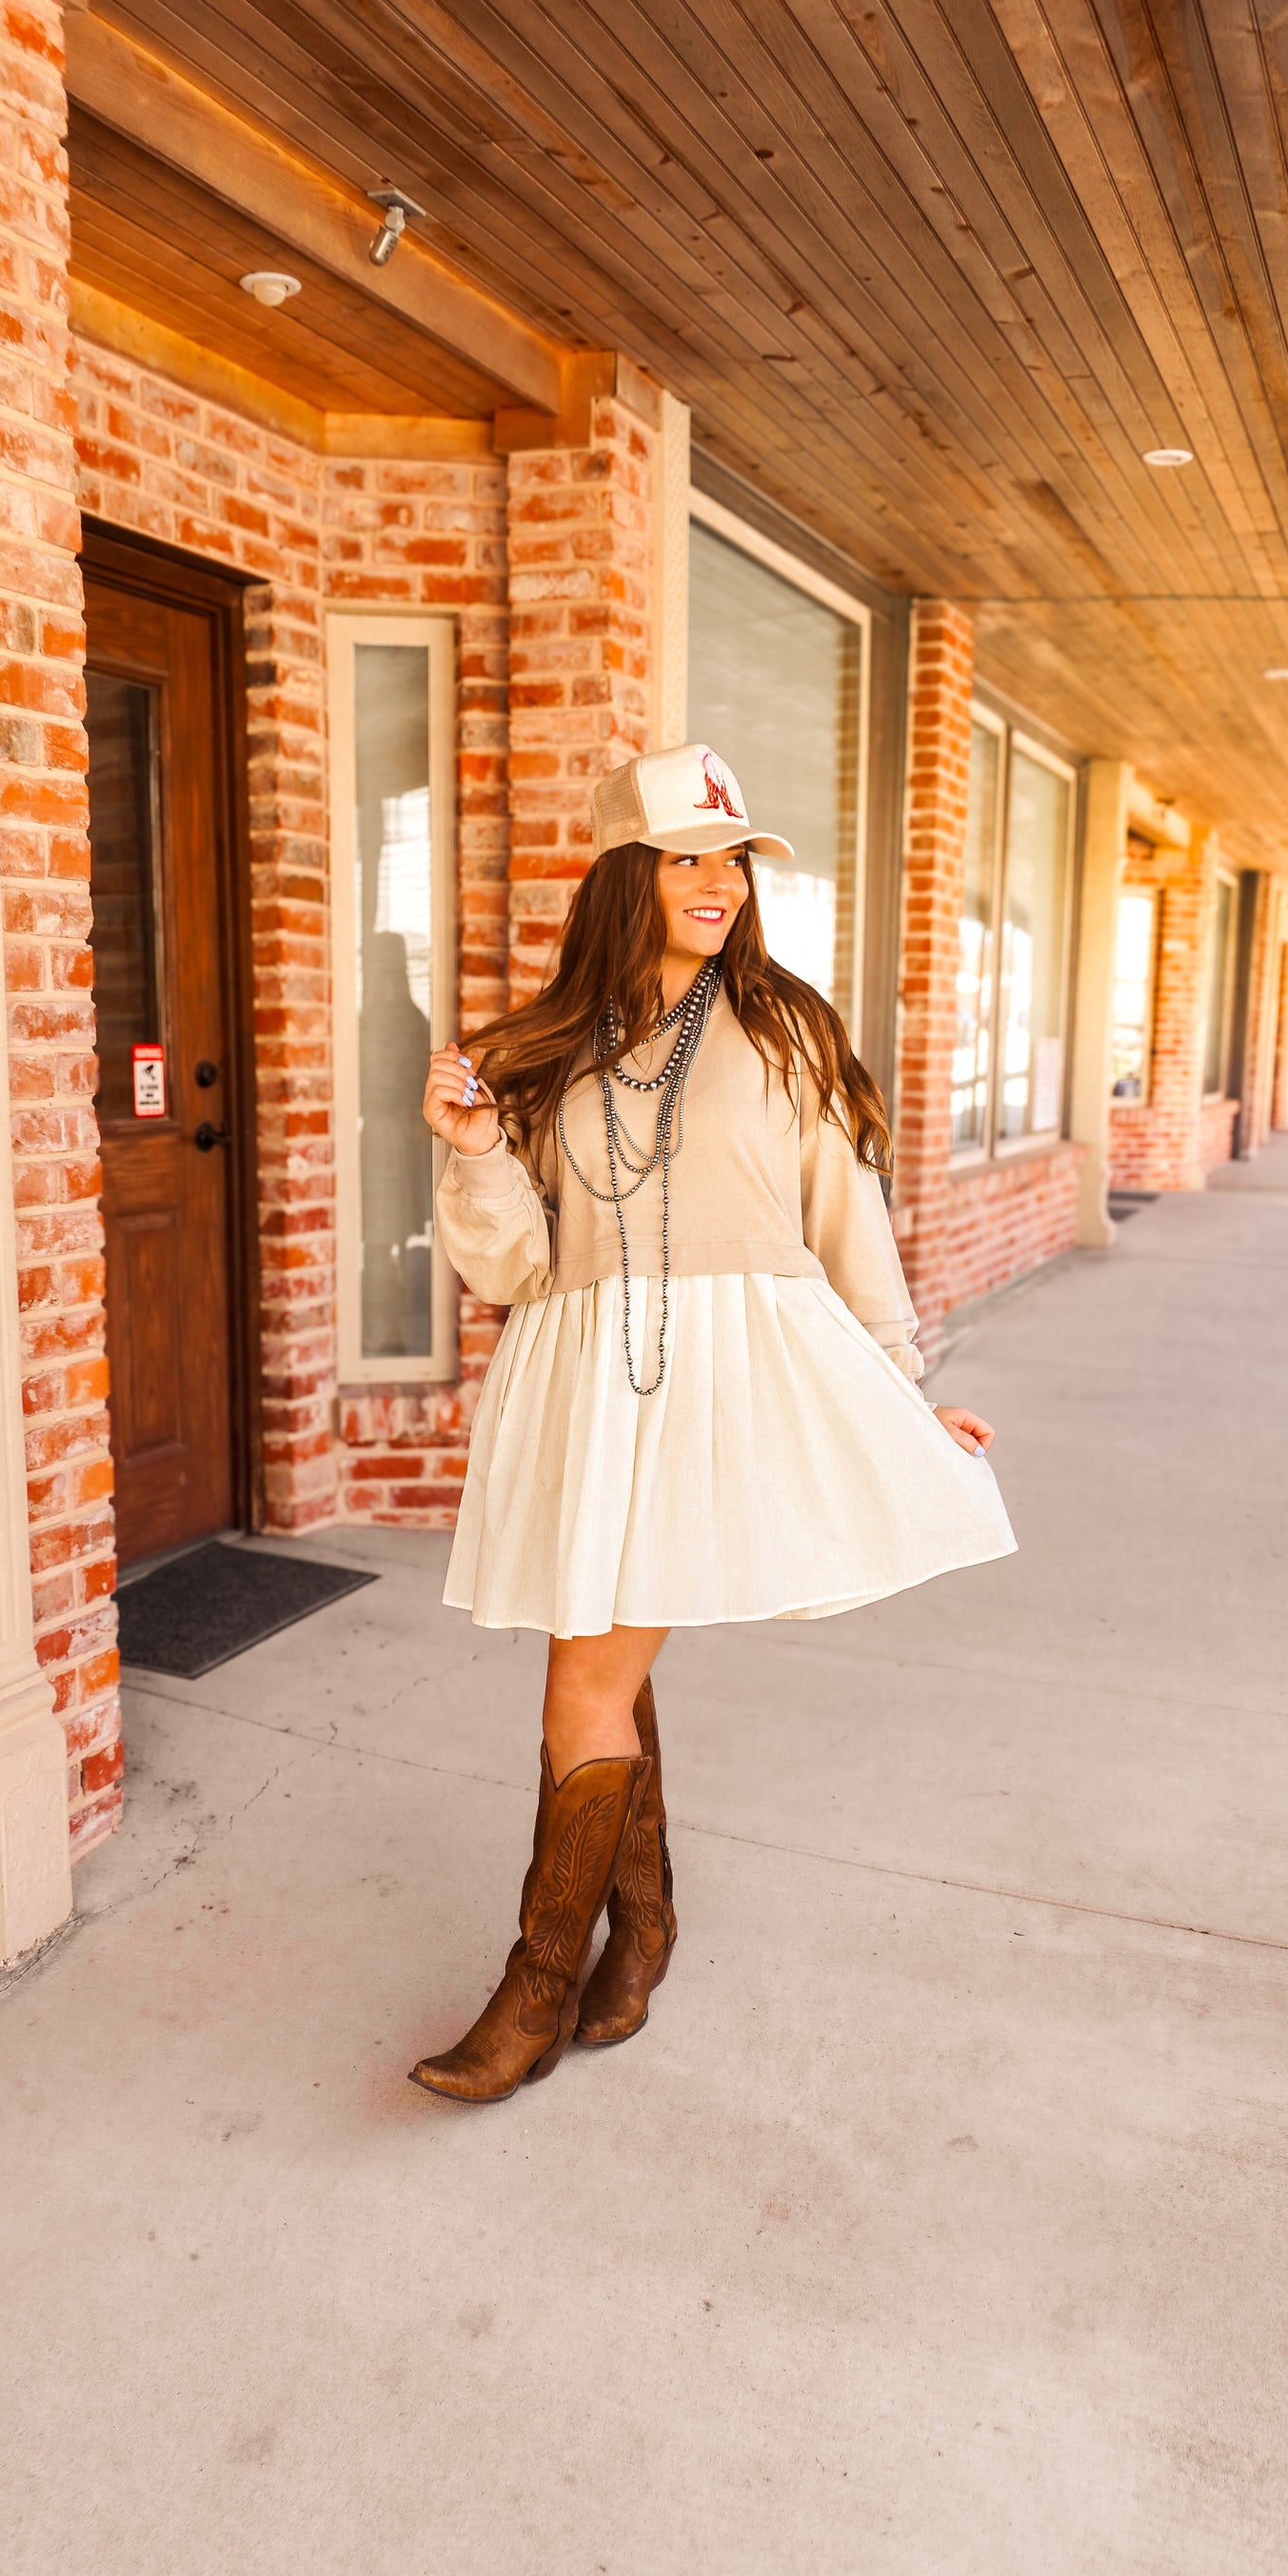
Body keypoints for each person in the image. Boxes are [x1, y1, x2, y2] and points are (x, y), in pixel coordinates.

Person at [409, 744, 1015, 2105]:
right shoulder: (545, 1047)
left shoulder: (787, 1029)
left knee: (585, 1675)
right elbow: (514, 1268)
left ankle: (538, 1986)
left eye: (733, 858)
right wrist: (473, 1150)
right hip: (585, 1377)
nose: (718, 883)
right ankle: (646, 1932)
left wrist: (900, 1396)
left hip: (729, 1375)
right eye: (687, 856)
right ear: (628, 875)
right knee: (603, 1659)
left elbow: (846, 1223)